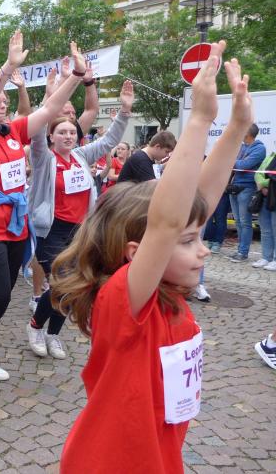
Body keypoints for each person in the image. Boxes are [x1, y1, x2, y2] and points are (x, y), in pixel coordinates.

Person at [56, 41, 251, 473]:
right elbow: (167, 222)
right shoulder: (125, 302)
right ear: (136, 254)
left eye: (197, 239)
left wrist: (237, 127)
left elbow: (197, 203)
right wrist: (199, 120)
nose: (202, 249)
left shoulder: (167, 291)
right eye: (188, 241)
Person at [0, 38, 89, 386]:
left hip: (15, 223)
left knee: (3, 296)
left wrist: (76, 75)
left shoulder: (13, 131)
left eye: (5, 100)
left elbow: (51, 109)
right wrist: (8, 68)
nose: (3, 103)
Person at [25, 79, 133, 360]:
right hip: (51, 232)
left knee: (75, 286)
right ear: (51, 137)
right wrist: (49, 100)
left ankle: (53, 334)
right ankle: (35, 326)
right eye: (62, 132)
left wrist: (124, 112)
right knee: (60, 284)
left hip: (79, 232)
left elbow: (109, 141)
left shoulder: (81, 156)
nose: (68, 137)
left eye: (72, 132)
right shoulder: (44, 158)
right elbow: (36, 133)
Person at [227, 123, 266, 262]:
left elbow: (244, 165)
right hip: (234, 187)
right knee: (238, 221)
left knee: (245, 222)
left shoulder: (260, 148)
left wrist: (233, 160)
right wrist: (236, 161)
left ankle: (243, 252)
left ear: (248, 133)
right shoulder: (242, 147)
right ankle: (240, 250)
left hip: (246, 188)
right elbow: (235, 162)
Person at [253, 151, 276, 270]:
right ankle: (266, 257)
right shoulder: (271, 156)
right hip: (264, 196)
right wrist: (262, 185)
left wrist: (263, 183)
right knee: (265, 229)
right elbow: (258, 173)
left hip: (274, 195)